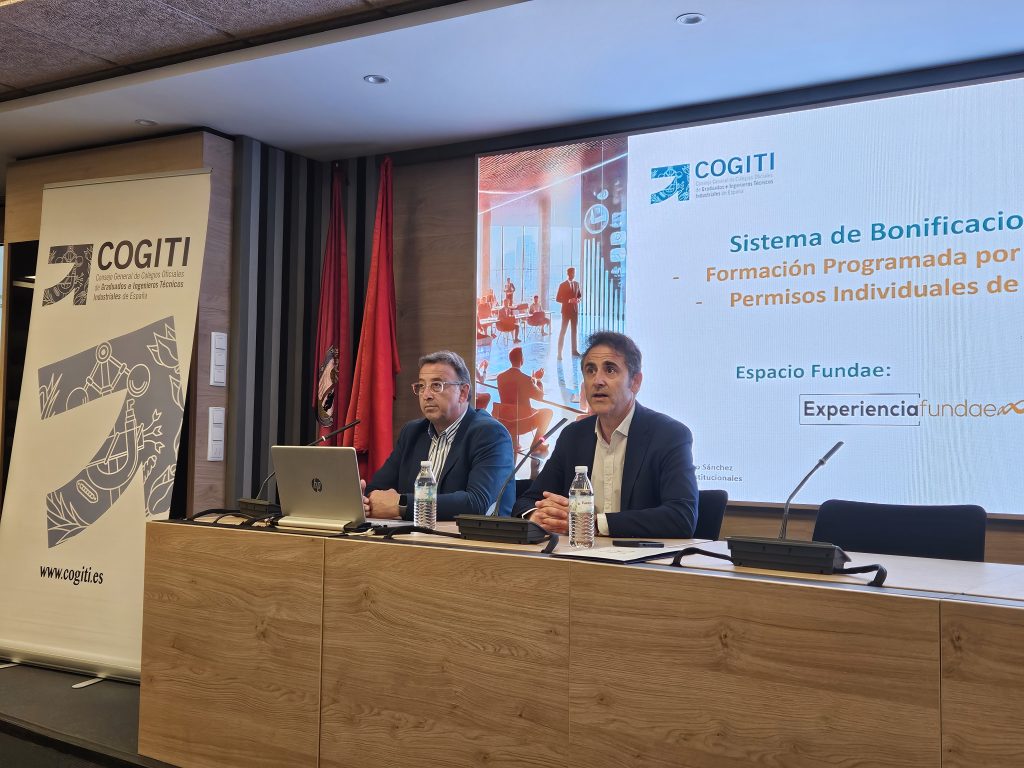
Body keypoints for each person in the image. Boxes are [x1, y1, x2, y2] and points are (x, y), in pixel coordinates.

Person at [512, 331, 698, 538]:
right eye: (590, 370)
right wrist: (537, 516)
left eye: (610, 370)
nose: (597, 380)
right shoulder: (573, 436)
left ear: (635, 382)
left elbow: (682, 517)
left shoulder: (669, 435)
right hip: (576, 555)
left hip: (638, 556)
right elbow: (528, 501)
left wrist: (592, 523)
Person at [365, 350, 515, 519]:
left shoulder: (490, 434)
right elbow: (376, 490)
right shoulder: (412, 432)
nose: (426, 395)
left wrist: (402, 504)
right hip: (415, 533)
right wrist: (367, 503)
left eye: (437, 385)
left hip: (471, 535)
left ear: (463, 392)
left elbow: (477, 503)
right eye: (421, 386)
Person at [495, 346, 553, 456]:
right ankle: (536, 444)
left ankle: (513, 442)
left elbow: (512, 395)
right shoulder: (525, 379)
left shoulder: (500, 377)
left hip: (505, 421)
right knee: (548, 412)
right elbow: (539, 396)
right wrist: (537, 380)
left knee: (511, 409)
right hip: (522, 423)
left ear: (510, 359)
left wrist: (532, 380)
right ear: (522, 360)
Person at [555, 267, 582, 360]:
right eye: (572, 273)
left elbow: (579, 295)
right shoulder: (562, 285)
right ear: (568, 274)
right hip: (566, 311)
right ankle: (559, 353)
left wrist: (578, 300)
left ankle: (574, 351)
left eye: (574, 273)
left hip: (575, 311)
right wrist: (569, 300)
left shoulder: (577, 284)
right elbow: (558, 299)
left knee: (574, 331)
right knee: (563, 331)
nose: (573, 275)